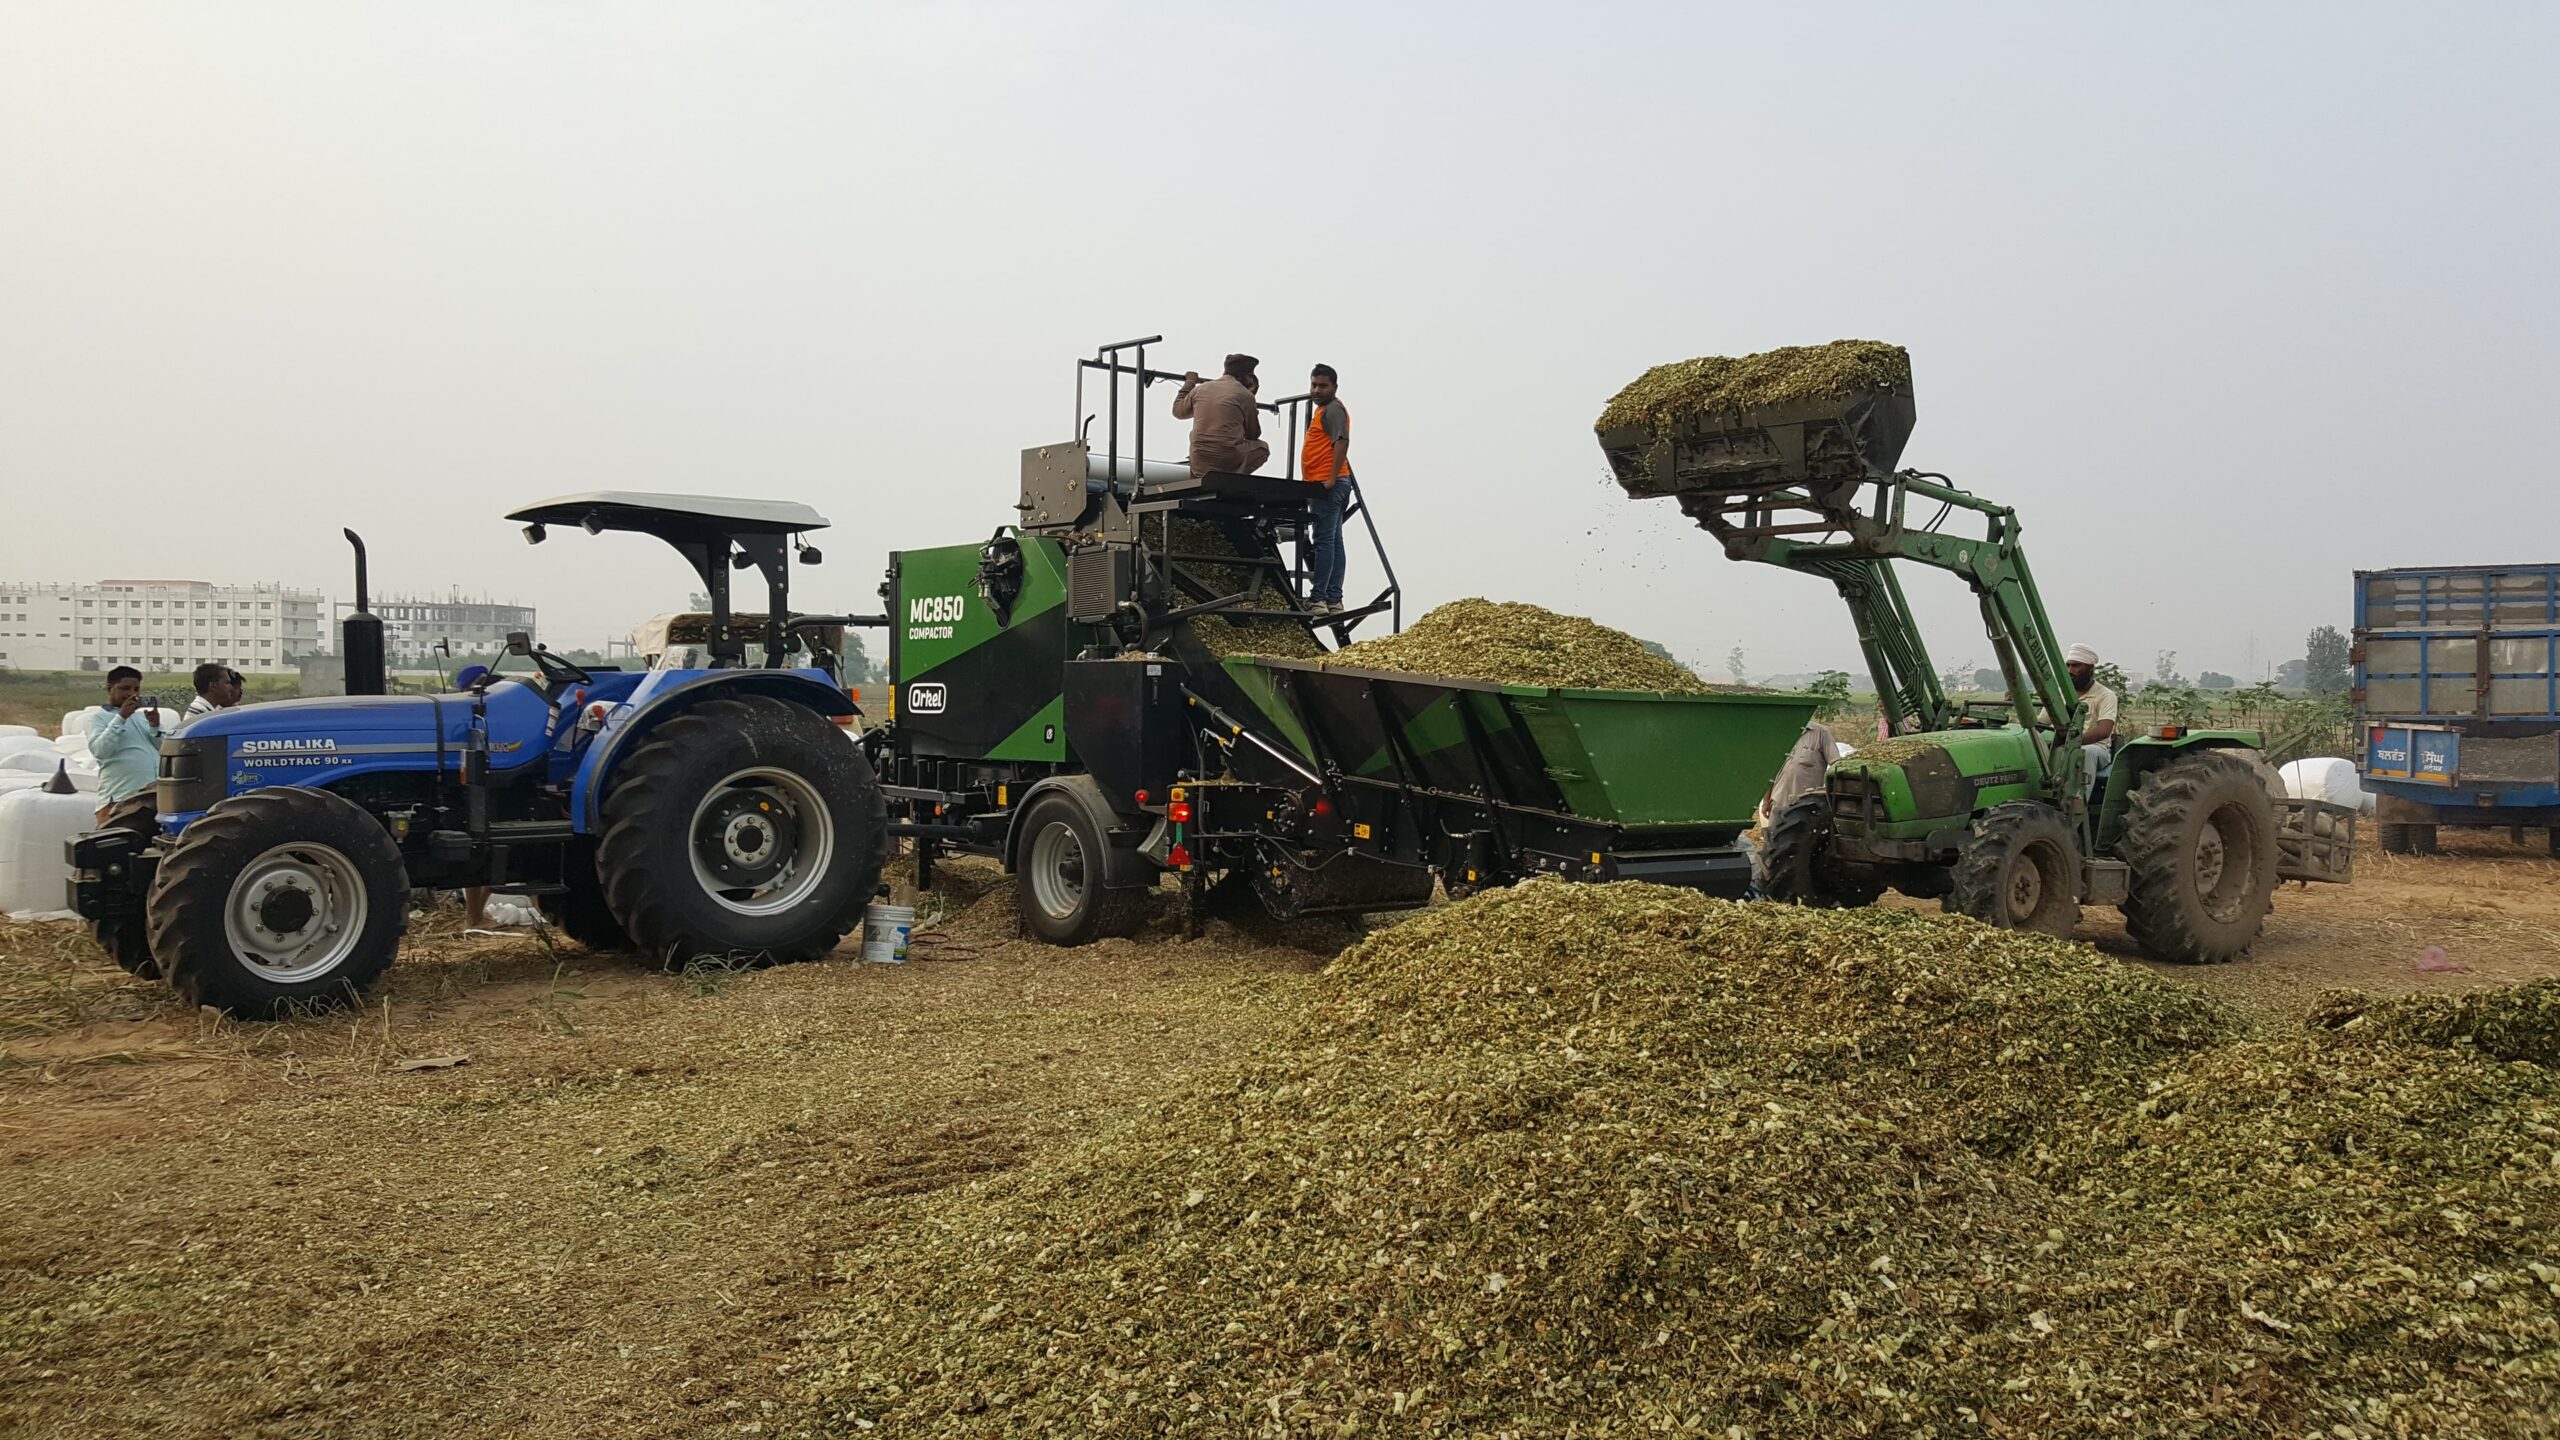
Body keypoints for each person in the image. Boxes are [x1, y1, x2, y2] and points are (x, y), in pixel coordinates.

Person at [87, 665, 167, 834]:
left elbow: (164, 749)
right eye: (124, 688)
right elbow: (101, 750)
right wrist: (121, 717)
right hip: (119, 800)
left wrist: (155, 726)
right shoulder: (100, 718)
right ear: (109, 689)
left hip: (150, 800)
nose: (131, 694)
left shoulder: (141, 718)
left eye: (136, 689)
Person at [1300, 363, 1353, 614]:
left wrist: (1331, 478)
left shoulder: (1332, 410)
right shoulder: (1324, 411)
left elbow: (1342, 442)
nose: (1316, 390)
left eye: (1323, 386)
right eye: (1313, 385)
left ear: (1334, 387)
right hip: (1328, 482)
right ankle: (1333, 599)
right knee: (1333, 541)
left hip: (1328, 484)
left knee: (1324, 540)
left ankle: (1319, 598)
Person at [1171, 353, 1270, 478]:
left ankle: (1222, 477)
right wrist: (1252, 402)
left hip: (1198, 459)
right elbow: (1253, 434)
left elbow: (1178, 412)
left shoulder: (1201, 388)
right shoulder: (1245, 395)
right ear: (1247, 376)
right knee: (1263, 448)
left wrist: (1189, 383)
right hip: (1227, 459)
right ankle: (1234, 478)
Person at [2064, 643, 2118, 783]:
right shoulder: (2061, 693)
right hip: (2064, 745)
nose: (2070, 670)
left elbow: (2103, 731)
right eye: (2068, 665)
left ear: (2090, 669)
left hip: (2097, 748)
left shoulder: (2106, 695)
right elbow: (2041, 723)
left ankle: (2079, 801)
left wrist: (2070, 743)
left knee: (2084, 754)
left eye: (2076, 666)